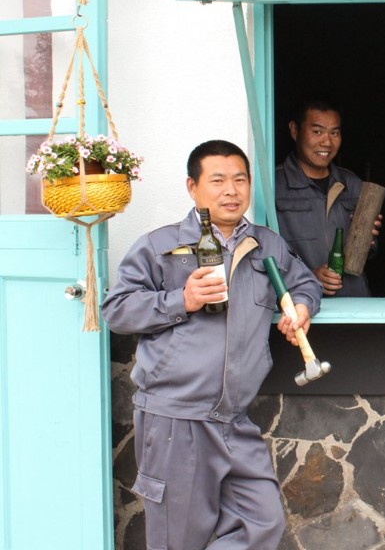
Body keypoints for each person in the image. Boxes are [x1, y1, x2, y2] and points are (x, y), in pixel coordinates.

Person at [102, 140, 322, 550]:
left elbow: (304, 281)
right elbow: (116, 310)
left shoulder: (265, 245)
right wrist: (180, 300)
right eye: (217, 180)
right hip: (176, 419)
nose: (231, 190)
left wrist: (302, 308)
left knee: (263, 523)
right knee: (179, 539)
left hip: (234, 418)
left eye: (240, 180)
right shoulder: (160, 246)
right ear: (192, 187)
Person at [275, 100, 380, 297]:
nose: (327, 142)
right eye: (317, 132)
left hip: (355, 305)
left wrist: (369, 238)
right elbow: (263, 257)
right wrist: (309, 276)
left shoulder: (352, 183)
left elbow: (369, 254)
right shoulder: (275, 186)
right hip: (300, 306)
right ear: (294, 130)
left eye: (334, 133)